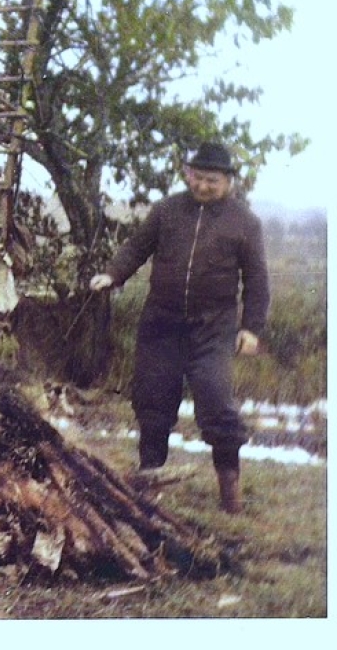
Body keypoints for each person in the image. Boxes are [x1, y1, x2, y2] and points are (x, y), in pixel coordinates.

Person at [89, 141, 270, 514]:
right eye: (197, 178)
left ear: (229, 181)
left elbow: (257, 281)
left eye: (212, 181)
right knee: (153, 402)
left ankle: (231, 498)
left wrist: (251, 328)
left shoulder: (244, 223)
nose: (203, 186)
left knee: (217, 404)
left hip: (213, 329)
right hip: (162, 324)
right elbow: (136, 248)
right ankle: (149, 488)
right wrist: (112, 274)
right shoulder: (168, 210)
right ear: (188, 174)